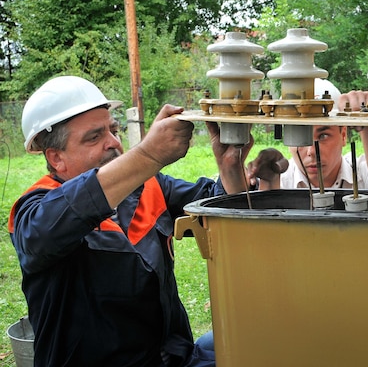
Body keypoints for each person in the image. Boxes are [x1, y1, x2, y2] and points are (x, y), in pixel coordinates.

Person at [7, 75, 270, 366]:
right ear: (56, 158)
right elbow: (45, 231)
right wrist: (148, 154)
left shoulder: (150, 186)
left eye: (113, 130)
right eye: (94, 137)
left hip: (173, 358)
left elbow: (218, 214)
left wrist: (230, 168)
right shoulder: (34, 210)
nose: (113, 143)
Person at [249, 89, 368, 190]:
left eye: (323, 136)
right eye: (301, 138)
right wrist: (269, 185)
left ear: (343, 135)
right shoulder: (280, 180)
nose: (311, 151)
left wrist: (367, 124)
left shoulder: (362, 170)